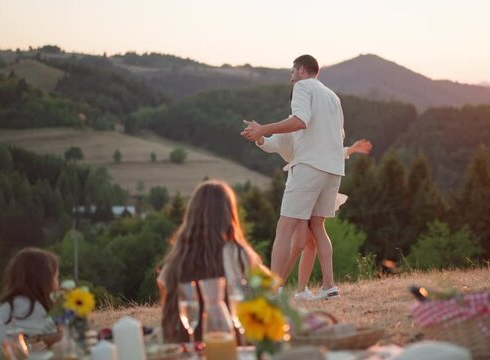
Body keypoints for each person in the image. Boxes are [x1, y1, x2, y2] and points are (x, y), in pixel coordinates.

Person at [242, 54, 345, 300]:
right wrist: (260, 135)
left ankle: (273, 290)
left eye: (292, 72)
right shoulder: (333, 96)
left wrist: (264, 128)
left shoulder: (302, 86)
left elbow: (300, 121)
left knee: (284, 226)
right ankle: (329, 286)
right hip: (334, 168)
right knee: (318, 226)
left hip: (309, 167)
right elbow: (340, 133)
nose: (290, 78)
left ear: (300, 69)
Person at [255, 132, 372, 300]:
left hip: (315, 183)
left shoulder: (315, 124)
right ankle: (278, 286)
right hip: (303, 184)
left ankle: (300, 290)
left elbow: (326, 151)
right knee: (300, 243)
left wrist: (349, 150)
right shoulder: (292, 126)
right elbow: (271, 143)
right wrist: (259, 136)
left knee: (309, 242)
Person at [156, 180, 266, 343]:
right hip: (235, 347)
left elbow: (168, 316)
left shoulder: (176, 261)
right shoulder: (241, 256)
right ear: (229, 215)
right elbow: (266, 298)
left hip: (187, 348)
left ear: (192, 215)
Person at [0, 248, 61, 359]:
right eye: (56, 278)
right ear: (45, 281)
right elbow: (40, 351)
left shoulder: (7, 307)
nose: (58, 285)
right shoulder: (31, 311)